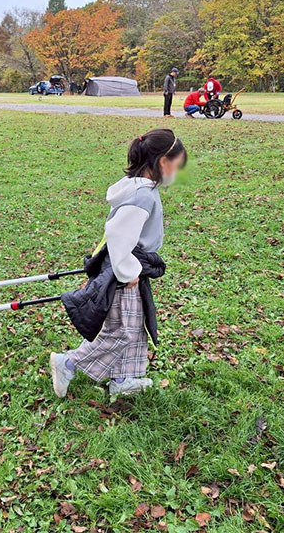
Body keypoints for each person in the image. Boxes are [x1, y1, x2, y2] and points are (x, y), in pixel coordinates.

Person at [49, 129, 187, 397]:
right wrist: (129, 271)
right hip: (123, 272)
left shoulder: (135, 184)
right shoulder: (142, 196)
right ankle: (68, 363)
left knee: (135, 328)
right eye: (176, 165)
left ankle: (124, 378)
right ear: (162, 162)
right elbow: (117, 235)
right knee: (122, 330)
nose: (177, 172)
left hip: (128, 266)